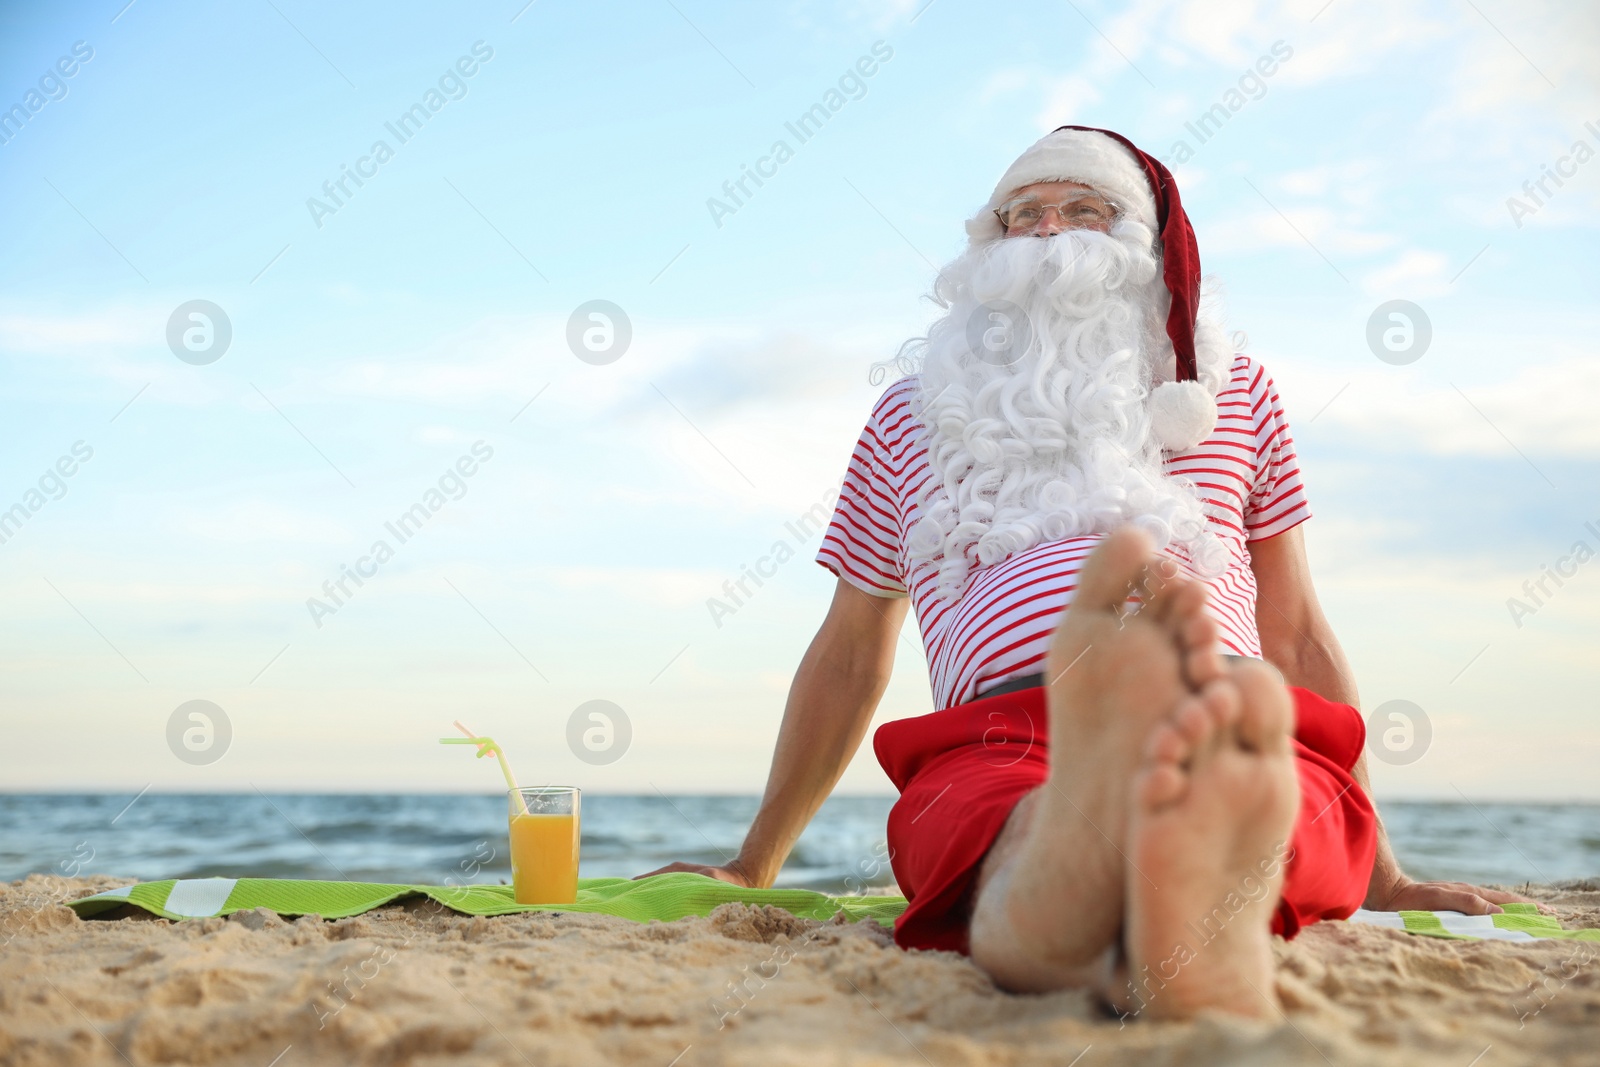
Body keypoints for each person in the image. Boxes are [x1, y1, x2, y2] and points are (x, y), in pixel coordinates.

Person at [639, 126, 1531, 1019]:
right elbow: (848, 650)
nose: (1050, 233)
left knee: (1283, 785)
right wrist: (752, 861)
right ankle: (1127, 843)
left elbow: (1293, 627)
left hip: (1217, 698)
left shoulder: (1237, 389)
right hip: (1000, 733)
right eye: (1023, 215)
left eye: (1085, 211)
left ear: (1142, 244)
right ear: (984, 252)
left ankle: (1121, 841)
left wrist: (1390, 873)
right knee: (983, 813)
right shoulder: (907, 414)